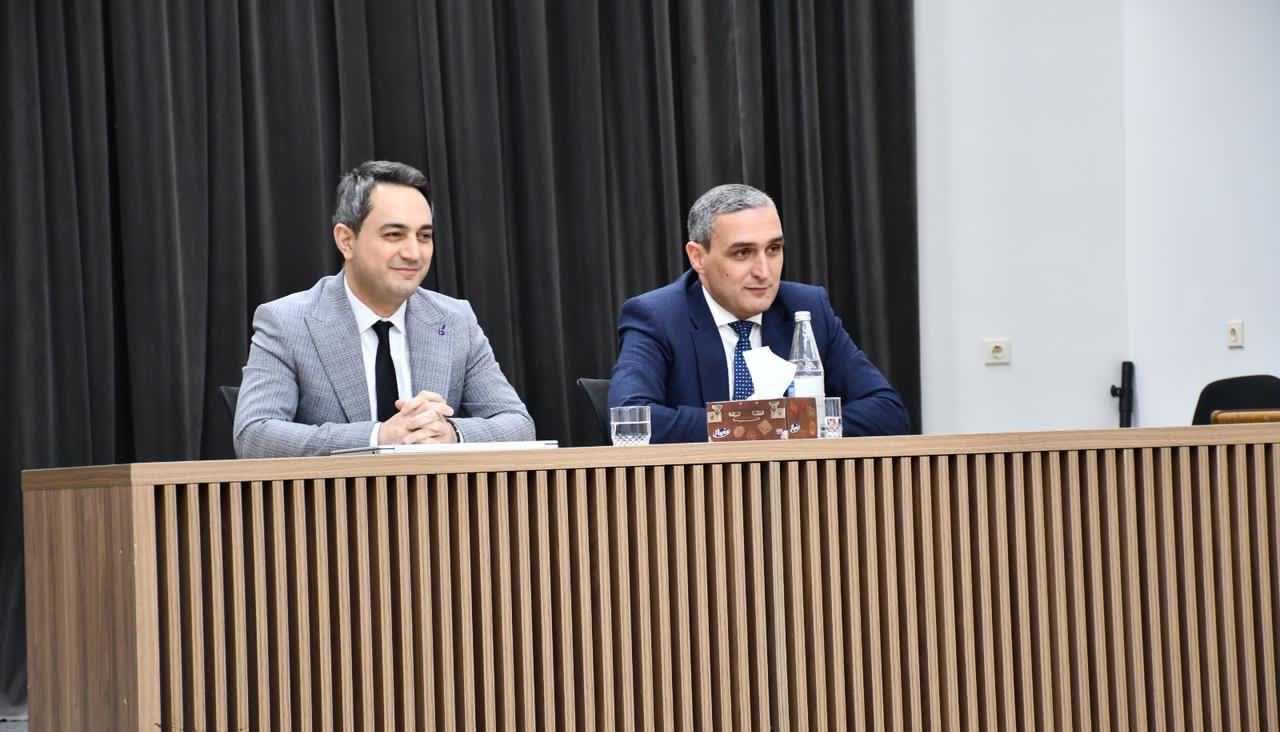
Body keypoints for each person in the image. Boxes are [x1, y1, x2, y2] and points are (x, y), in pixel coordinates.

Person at [234, 160, 534, 458]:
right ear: (346, 240)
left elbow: (518, 424)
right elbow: (254, 435)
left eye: (424, 236)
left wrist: (450, 433)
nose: (413, 253)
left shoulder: (455, 320)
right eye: (394, 235)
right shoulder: (287, 322)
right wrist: (378, 437)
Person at [608, 183, 909, 443]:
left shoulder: (806, 308)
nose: (764, 272)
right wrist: (757, 425)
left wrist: (782, 426)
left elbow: (887, 412)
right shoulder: (657, 316)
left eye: (773, 249)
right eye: (743, 253)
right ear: (697, 257)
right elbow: (630, 419)